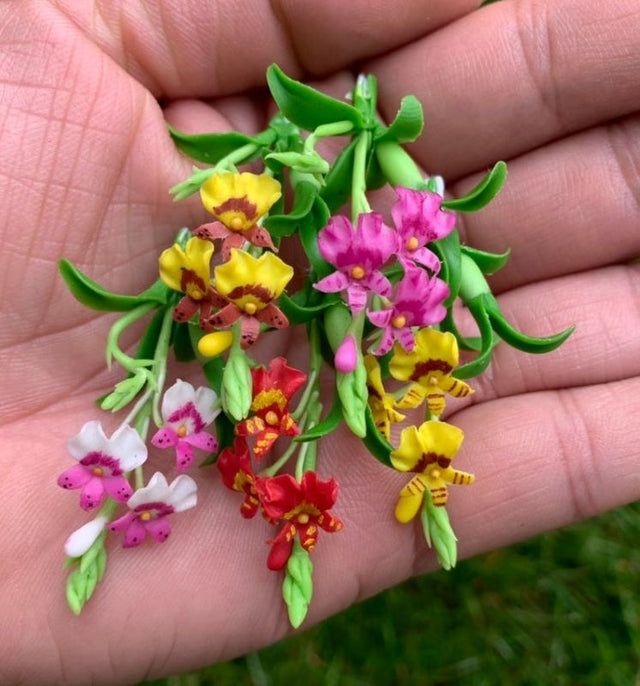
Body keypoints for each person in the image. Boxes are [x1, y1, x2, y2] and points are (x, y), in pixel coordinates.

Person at [1, 0, 638, 683]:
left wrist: (390, 300)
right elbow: (303, 293)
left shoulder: (368, 273)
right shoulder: (301, 272)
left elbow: (349, 292)